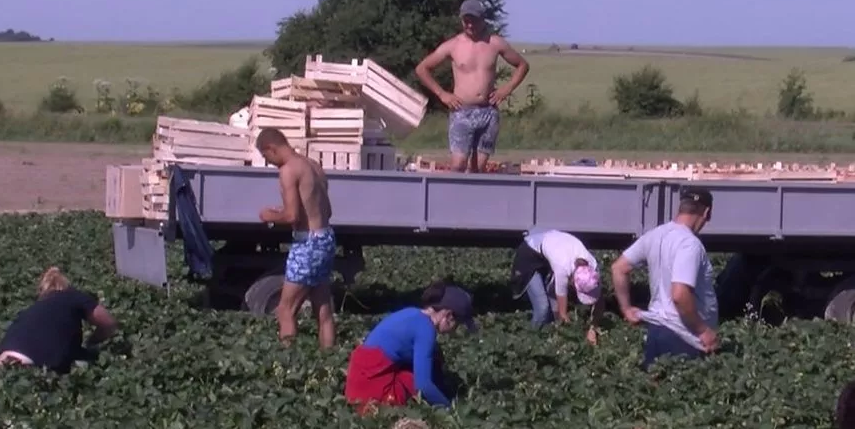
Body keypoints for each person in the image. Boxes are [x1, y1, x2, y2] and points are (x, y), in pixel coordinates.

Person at [414, 0, 530, 173]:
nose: (469, 25)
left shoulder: (495, 43)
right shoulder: (453, 45)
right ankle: (452, 191)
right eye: (466, 21)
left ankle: (475, 191)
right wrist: (442, 94)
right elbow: (422, 68)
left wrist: (506, 89)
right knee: (458, 164)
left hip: (488, 111)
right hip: (462, 111)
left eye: (473, 20)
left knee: (479, 168)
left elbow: (522, 65)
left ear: (482, 19)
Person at [610, 186, 719, 369]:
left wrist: (626, 309)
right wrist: (703, 330)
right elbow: (679, 294)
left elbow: (618, 268)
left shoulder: (655, 234)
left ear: (681, 207)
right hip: (683, 337)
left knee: (655, 383)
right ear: (706, 212)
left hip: (656, 332)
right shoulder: (689, 244)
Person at [255, 127, 337, 349]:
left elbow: (292, 215)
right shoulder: (314, 166)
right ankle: (329, 359)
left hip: (307, 243)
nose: (269, 162)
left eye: (266, 156)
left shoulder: (289, 170)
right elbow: (326, 210)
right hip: (326, 237)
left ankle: (289, 362)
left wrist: (270, 215)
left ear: (271, 148)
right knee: (323, 309)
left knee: (285, 310)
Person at [344, 282, 477, 414]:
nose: (455, 330)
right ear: (448, 316)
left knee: (433, 359)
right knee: (424, 375)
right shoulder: (426, 329)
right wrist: (449, 409)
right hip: (369, 393)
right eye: (457, 324)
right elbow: (423, 385)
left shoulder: (412, 313)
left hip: (357, 380)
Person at [0, 267, 118, 374]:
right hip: (33, 363)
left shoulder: (34, 308)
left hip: (0, 358)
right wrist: (92, 341)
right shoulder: (73, 296)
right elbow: (109, 323)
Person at [509, 228, 603, 342]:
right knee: (543, 308)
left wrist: (593, 328)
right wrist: (569, 333)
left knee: (552, 307)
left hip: (549, 251)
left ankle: (546, 334)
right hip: (529, 254)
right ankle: (530, 339)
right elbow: (562, 314)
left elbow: (599, 302)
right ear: (572, 282)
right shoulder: (562, 269)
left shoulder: (593, 269)